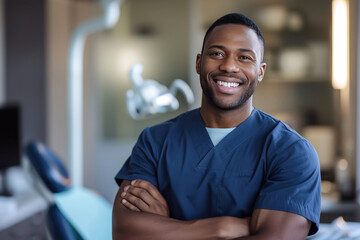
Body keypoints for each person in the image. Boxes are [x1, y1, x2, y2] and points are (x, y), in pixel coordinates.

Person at [112, 13, 321, 239]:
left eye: (244, 58)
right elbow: (125, 231)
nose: (229, 66)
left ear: (260, 72)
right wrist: (223, 228)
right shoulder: (155, 141)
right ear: (199, 63)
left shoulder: (291, 151)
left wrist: (167, 227)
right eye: (217, 53)